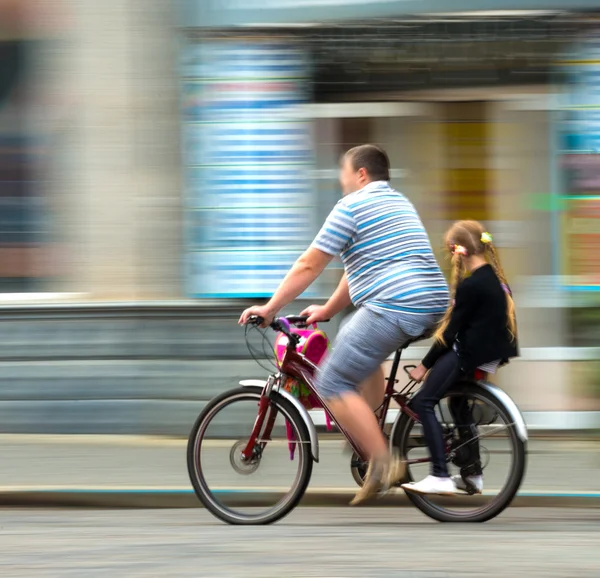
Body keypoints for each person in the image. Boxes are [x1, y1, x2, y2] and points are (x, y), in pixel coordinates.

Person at [239, 144, 449, 504]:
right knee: (358, 346)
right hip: (433, 302)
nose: (341, 180)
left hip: (397, 305)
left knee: (332, 380)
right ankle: (371, 433)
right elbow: (361, 269)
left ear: (361, 174)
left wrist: (271, 307)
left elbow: (309, 264)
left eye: (344, 172)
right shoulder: (398, 203)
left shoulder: (351, 206)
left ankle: (384, 461)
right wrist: (328, 310)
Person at [401, 220, 518, 496]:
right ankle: (472, 474)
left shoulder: (472, 285)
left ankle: (439, 474)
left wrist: (424, 365)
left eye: (450, 249)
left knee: (423, 401)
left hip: (469, 353)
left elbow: (452, 333)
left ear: (460, 251)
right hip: (487, 355)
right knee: (458, 405)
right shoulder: (494, 280)